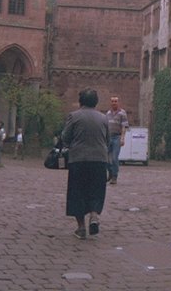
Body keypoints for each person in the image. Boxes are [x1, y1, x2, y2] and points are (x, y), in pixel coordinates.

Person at [61, 87, 109, 240]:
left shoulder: (74, 116)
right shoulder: (103, 118)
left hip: (79, 159)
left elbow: (66, 137)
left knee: (78, 192)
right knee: (96, 190)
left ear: (81, 101)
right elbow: (106, 139)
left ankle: (81, 228)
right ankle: (94, 215)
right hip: (99, 160)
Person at [105, 96, 129, 185]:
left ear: (118, 102)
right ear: (110, 103)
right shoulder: (107, 113)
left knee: (114, 158)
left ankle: (114, 176)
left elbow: (124, 126)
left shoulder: (122, 113)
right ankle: (110, 172)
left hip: (117, 137)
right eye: (112, 101)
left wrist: (122, 138)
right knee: (106, 158)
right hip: (108, 138)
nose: (114, 103)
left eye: (115, 101)